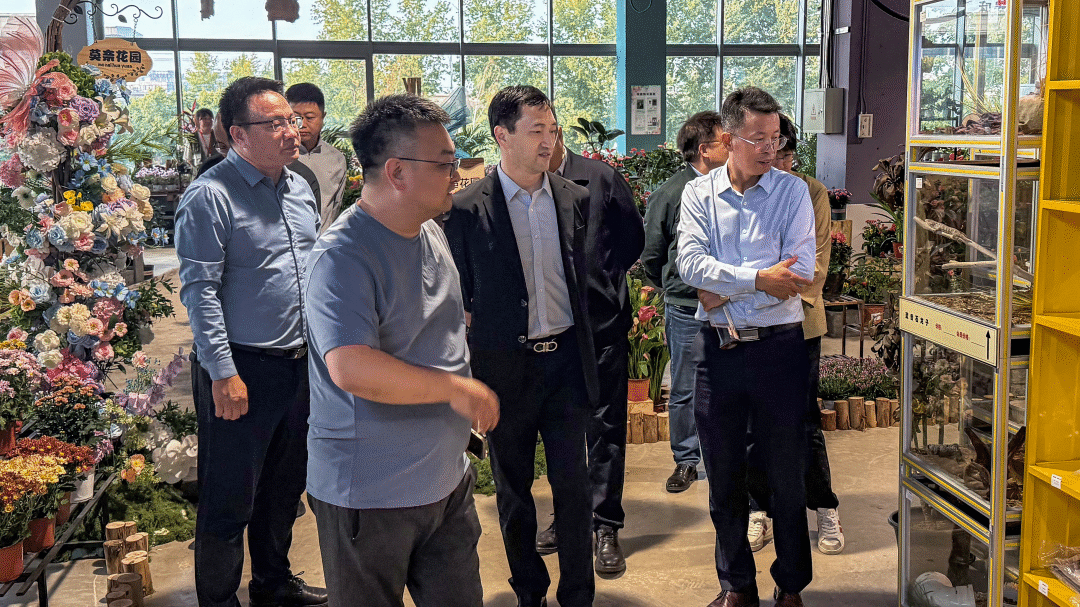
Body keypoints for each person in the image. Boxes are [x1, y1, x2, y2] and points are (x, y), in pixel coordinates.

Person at [303, 94, 500, 607]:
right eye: (444, 163)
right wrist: (456, 389)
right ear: (396, 171)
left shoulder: (429, 231)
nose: (457, 174)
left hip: (445, 481)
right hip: (371, 493)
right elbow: (352, 367)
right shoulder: (342, 256)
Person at [444, 85, 598, 607]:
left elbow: (587, 280)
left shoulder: (574, 199)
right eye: (536, 131)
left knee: (574, 487)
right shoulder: (466, 209)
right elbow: (461, 296)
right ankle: (529, 591)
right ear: (502, 136)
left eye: (552, 130)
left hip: (566, 366)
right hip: (505, 369)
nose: (548, 141)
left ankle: (578, 594)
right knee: (514, 491)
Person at [175, 77, 326, 607]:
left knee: (284, 489)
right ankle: (219, 600)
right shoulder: (210, 196)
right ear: (237, 134)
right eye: (276, 123)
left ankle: (273, 584)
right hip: (240, 368)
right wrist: (223, 373)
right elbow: (199, 291)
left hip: (298, 365)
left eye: (293, 120)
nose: (292, 131)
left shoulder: (300, 188)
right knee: (229, 498)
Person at [676, 86, 816, 607]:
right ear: (729, 138)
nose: (769, 148)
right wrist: (758, 279)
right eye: (757, 138)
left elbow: (799, 272)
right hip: (719, 352)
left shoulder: (792, 192)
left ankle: (791, 584)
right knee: (723, 473)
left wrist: (724, 286)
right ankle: (736, 585)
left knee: (786, 472)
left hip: (780, 349)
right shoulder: (699, 194)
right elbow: (690, 265)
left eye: (775, 137)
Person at [531, 122, 644, 575]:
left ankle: (605, 524)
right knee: (561, 430)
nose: (542, 143)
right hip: (552, 332)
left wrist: (605, 282)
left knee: (605, 426)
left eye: (547, 132)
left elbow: (632, 240)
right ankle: (568, 516)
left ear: (559, 134)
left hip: (601, 326)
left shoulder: (600, 178)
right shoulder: (527, 185)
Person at [745, 113, 845, 556]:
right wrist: (753, 287)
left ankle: (824, 506)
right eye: (769, 151)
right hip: (750, 327)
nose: (778, 162)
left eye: (785, 153)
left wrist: (763, 289)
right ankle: (759, 510)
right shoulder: (744, 191)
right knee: (754, 422)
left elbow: (814, 265)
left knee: (804, 420)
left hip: (800, 325)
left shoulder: (811, 192)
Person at [641, 110, 728, 494]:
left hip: (730, 304)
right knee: (685, 387)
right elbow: (652, 253)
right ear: (704, 149)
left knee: (729, 384)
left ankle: (723, 459)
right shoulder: (670, 193)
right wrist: (675, 287)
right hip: (686, 307)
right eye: (725, 140)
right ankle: (686, 460)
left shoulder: (732, 187)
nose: (732, 146)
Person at [287, 83, 348, 233]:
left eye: (309, 117)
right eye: (295, 118)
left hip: (324, 239)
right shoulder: (280, 156)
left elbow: (335, 208)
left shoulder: (337, 159)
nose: (302, 125)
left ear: (323, 117)